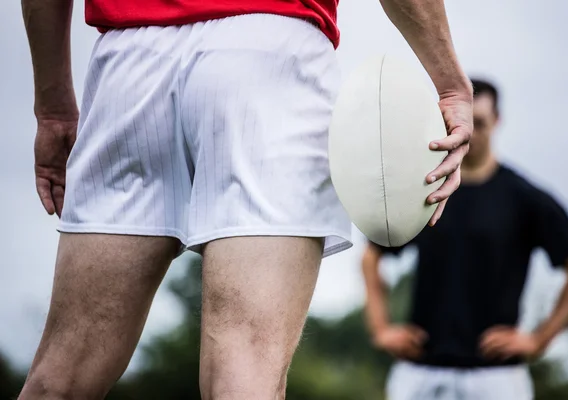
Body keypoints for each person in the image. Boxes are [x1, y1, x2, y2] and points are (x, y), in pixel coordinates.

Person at [19, 0, 473, 398]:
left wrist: (53, 104)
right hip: (268, 49)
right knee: (245, 375)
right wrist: (450, 82)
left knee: (60, 376)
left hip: (128, 62)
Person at [362, 78, 568, 400]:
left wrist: (539, 340)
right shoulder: (426, 190)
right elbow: (371, 255)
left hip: (496, 378)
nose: (468, 133)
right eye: (460, 124)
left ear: (497, 121)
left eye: (480, 123)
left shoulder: (524, 198)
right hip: (419, 372)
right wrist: (381, 328)